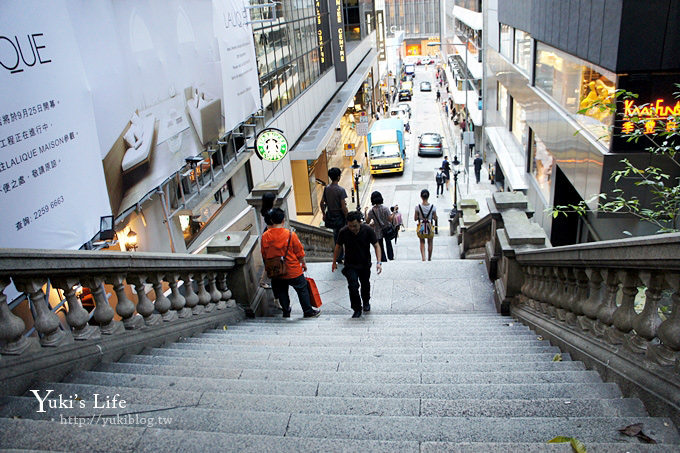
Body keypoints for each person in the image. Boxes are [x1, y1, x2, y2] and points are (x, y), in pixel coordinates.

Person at [261, 208, 320, 319]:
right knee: (302, 289)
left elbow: (264, 254)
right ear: (283, 220)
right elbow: (300, 252)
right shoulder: (290, 235)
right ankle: (308, 311)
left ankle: (286, 311)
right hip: (292, 269)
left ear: (272, 221)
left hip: (277, 270)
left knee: (282, 291)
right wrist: (303, 263)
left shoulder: (265, 236)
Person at [332, 210, 382, 318]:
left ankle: (366, 302)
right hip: (350, 264)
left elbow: (376, 245)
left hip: (364, 264)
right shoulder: (344, 232)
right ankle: (357, 308)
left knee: (365, 284)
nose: (352, 229)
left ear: (360, 222)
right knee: (353, 286)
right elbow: (338, 246)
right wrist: (334, 262)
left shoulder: (367, 230)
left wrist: (379, 262)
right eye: (350, 226)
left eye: (354, 226)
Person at [320, 167, 348, 263]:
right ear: (338, 177)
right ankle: (347, 256)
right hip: (340, 217)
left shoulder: (326, 189)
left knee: (337, 238)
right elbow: (343, 206)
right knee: (346, 236)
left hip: (331, 216)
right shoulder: (341, 190)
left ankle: (339, 257)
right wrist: (348, 216)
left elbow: (321, 203)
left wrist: (324, 214)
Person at [364, 191, 394, 262]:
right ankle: (390, 257)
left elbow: (367, 221)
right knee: (388, 243)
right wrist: (394, 212)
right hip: (386, 229)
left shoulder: (371, 211)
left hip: (378, 231)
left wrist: (365, 212)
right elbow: (390, 219)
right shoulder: (385, 209)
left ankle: (383, 259)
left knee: (380, 245)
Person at [258, 191, 277, 289]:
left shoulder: (263, 211)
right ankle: (262, 281)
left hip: (265, 238)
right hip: (269, 239)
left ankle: (262, 281)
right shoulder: (270, 214)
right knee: (269, 262)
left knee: (267, 262)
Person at [415, 189, 437, 261]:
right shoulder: (433, 207)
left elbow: (415, 218)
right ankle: (429, 258)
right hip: (429, 226)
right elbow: (435, 218)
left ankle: (423, 258)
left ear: (421, 197)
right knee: (430, 242)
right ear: (428, 196)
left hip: (421, 226)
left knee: (422, 242)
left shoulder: (418, 207)